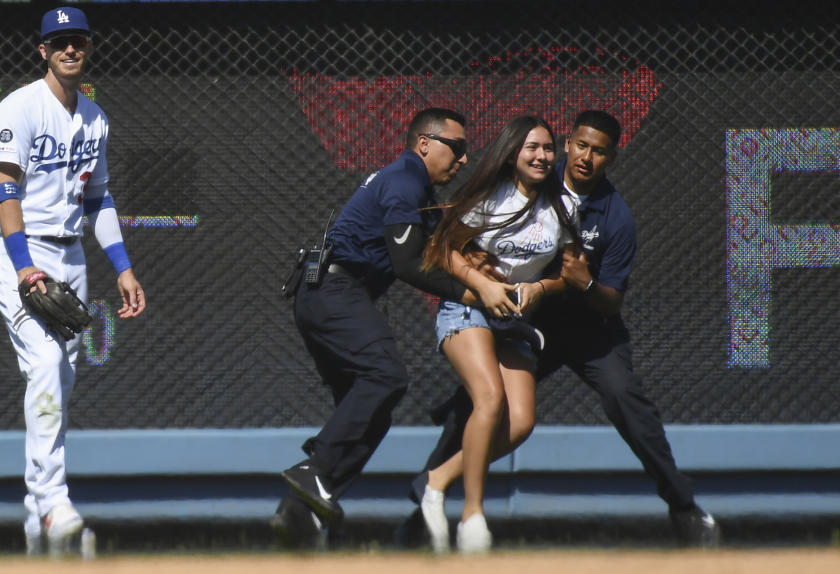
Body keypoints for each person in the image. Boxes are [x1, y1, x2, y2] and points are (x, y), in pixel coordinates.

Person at [405, 110, 719, 549]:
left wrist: (582, 282)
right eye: (580, 146)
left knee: (625, 401)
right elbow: (458, 235)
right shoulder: (534, 179)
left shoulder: (614, 216)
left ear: (611, 157)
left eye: (600, 151)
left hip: (589, 328)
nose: (586, 157)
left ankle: (685, 509)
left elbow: (611, 297)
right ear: (568, 145)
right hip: (527, 321)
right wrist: (476, 264)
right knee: (477, 405)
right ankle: (421, 514)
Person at [274, 108, 521, 549]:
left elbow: (440, 252)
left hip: (325, 295)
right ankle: (313, 473)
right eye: (457, 147)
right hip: (335, 291)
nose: (463, 159)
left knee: (372, 409)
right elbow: (409, 263)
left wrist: (483, 280)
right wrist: (473, 294)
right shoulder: (405, 178)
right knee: (384, 376)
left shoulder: (415, 186)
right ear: (424, 143)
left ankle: (302, 512)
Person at [0, 6, 146, 555]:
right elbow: (4, 190)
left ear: (87, 47)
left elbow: (97, 198)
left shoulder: (96, 118)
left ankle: (37, 522)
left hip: (72, 256)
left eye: (77, 40)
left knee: (59, 382)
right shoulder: (18, 109)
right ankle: (53, 499)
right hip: (20, 257)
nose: (69, 49)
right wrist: (24, 263)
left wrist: (122, 266)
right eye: (59, 42)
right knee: (48, 366)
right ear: (43, 51)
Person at [413, 115, 579, 554]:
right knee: (489, 400)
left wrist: (542, 287)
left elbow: (569, 275)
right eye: (531, 148)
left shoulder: (563, 206)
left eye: (547, 148)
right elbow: (441, 251)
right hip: (468, 310)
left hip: (516, 323)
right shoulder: (489, 200)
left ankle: (435, 481)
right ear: (512, 153)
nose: (542, 156)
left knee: (521, 422)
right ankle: (473, 515)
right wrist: (483, 285)